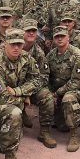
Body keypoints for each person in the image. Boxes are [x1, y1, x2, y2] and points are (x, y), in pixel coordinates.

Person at [0, 29, 46, 159]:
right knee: (15, 113)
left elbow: (37, 79)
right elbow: (1, 98)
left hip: (13, 97)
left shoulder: (26, 58)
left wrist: (20, 91)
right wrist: (23, 98)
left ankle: (8, 158)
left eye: (19, 44)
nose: (16, 48)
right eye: (12, 44)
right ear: (5, 44)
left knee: (15, 114)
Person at [46, 26, 80, 151]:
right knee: (62, 126)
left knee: (68, 100)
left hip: (74, 91)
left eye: (62, 36)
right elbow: (45, 76)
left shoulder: (77, 55)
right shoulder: (50, 55)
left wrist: (57, 93)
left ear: (68, 37)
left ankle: (74, 134)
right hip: (57, 93)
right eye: (57, 37)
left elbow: (75, 82)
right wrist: (50, 93)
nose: (59, 39)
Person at [21, 19, 56, 149]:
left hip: (30, 88)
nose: (31, 33)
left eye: (33, 31)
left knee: (47, 96)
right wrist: (20, 92)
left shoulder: (39, 52)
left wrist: (27, 91)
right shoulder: (12, 47)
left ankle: (45, 132)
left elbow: (44, 76)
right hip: (12, 89)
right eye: (28, 31)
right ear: (21, 32)